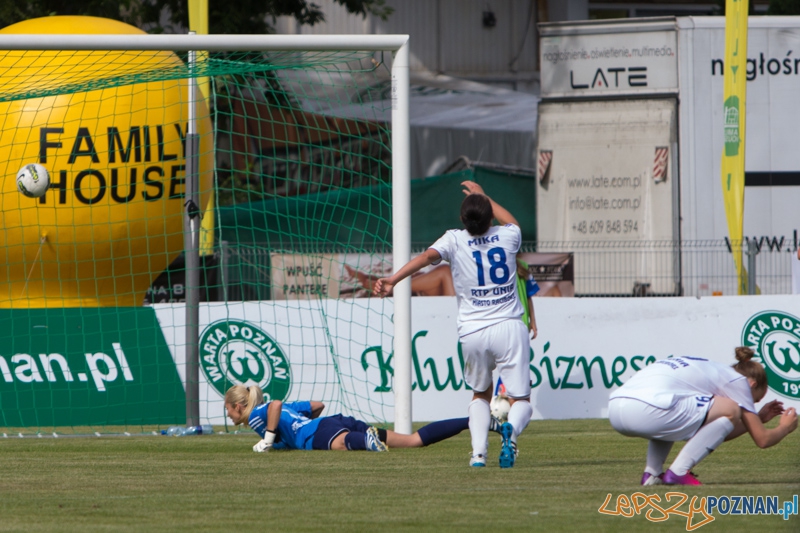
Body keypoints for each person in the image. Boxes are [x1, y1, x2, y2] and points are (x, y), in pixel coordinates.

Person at [374, 180, 534, 469]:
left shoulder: (454, 239)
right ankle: (510, 433)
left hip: (472, 331)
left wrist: (393, 280)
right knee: (520, 398)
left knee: (480, 395)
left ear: (463, 220)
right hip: (509, 326)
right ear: (489, 217)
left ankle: (478, 455)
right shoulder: (508, 237)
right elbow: (510, 220)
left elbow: (424, 259)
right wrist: (483, 195)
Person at [608, 347, 797, 485]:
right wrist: (785, 427)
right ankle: (678, 472)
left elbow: (713, 431)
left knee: (674, 416)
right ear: (752, 384)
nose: (749, 409)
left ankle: (652, 474)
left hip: (616, 408)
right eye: (752, 401)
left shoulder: (709, 370)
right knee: (732, 408)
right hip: (649, 408)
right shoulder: (739, 382)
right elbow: (762, 439)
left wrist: (757, 419)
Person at [224, 384, 471, 452]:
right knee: (414, 440)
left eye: (228, 408)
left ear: (238, 406)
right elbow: (317, 405)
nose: (227, 414)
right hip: (333, 421)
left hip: (317, 433)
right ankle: (472, 420)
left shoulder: (255, 416)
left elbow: (274, 405)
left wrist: (268, 440)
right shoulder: (286, 408)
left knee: (343, 445)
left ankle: (365, 441)